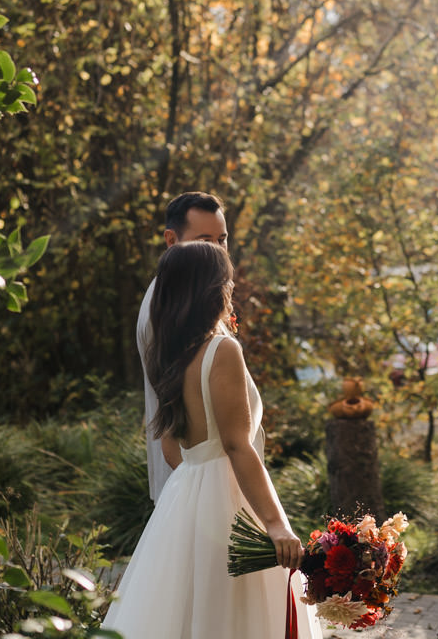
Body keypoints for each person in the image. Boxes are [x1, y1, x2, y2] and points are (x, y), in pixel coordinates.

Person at [103, 240, 321, 638]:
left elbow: (170, 450)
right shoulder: (222, 350)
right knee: (237, 616)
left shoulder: (168, 356)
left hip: (184, 496)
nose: (231, 290)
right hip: (229, 501)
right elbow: (238, 445)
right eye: (228, 283)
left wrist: (196, 492)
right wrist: (275, 525)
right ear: (212, 290)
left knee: (189, 612)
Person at [138, 191, 229, 502]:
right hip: (194, 489)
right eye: (205, 241)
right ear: (171, 241)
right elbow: (173, 430)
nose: (218, 251)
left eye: (222, 240)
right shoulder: (167, 310)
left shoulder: (197, 299)